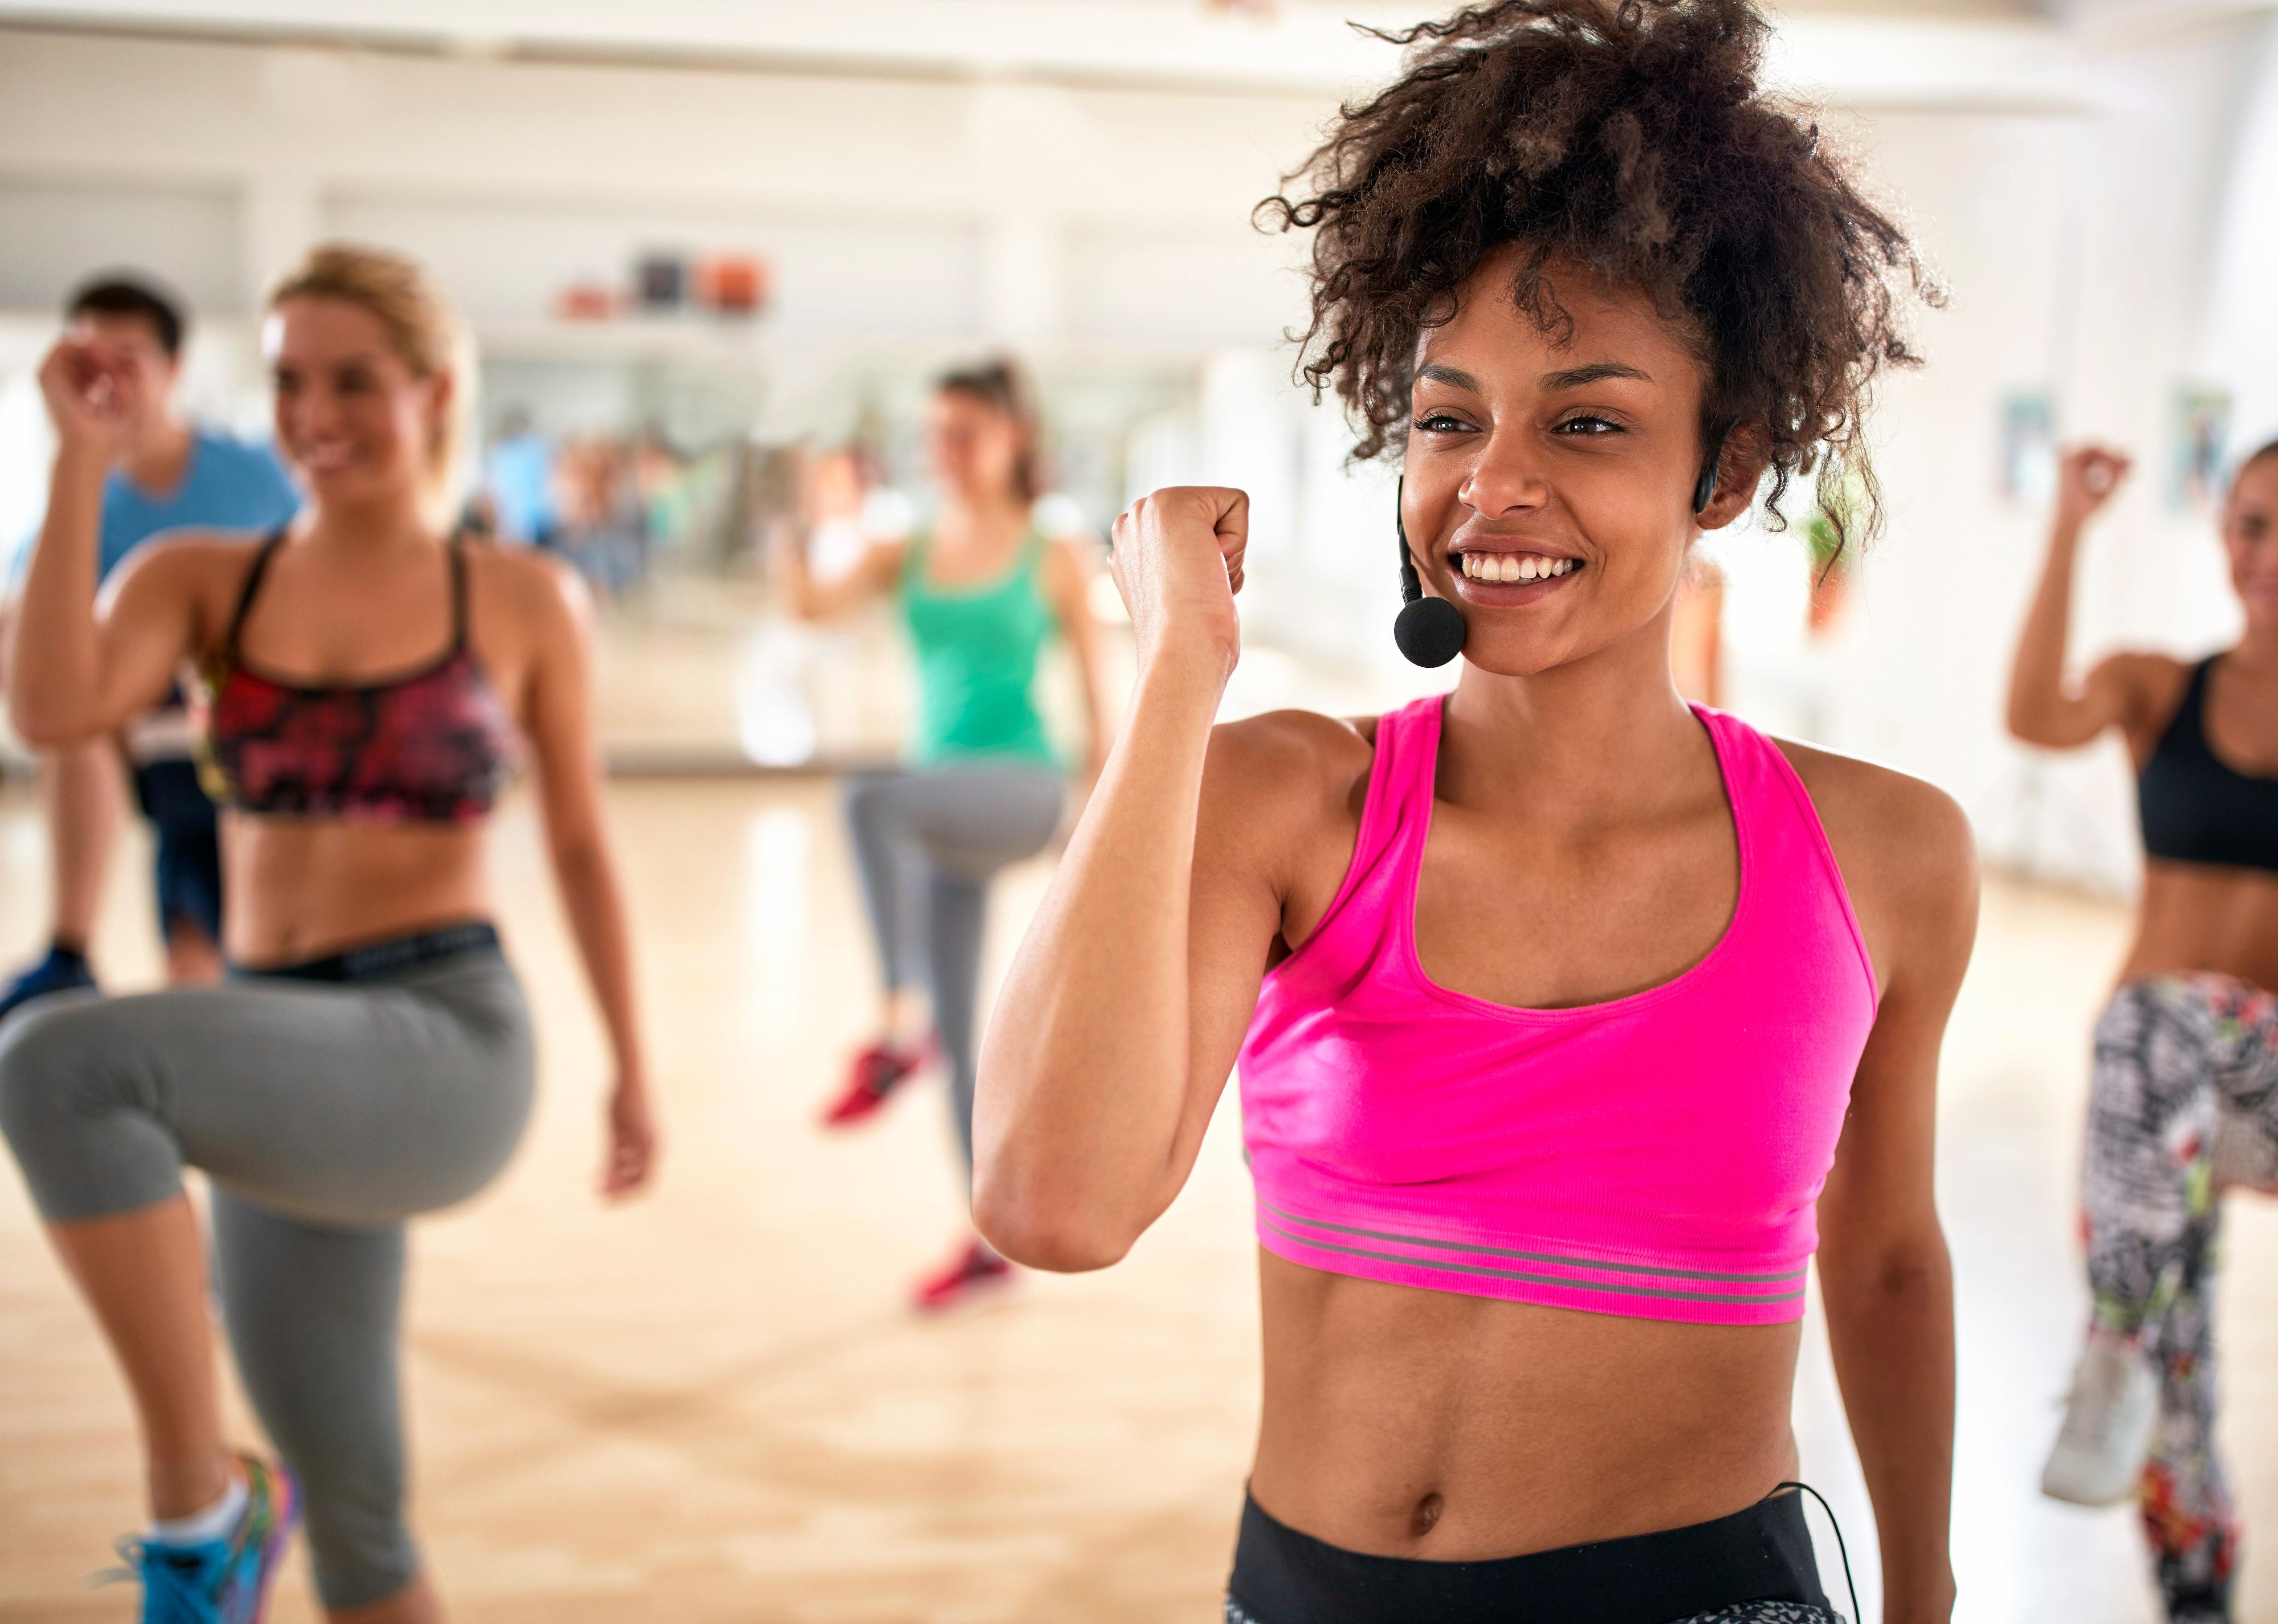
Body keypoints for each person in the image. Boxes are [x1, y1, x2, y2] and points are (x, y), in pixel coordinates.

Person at [974, 3, 1974, 1620]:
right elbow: (1052, 1202)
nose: (1489, 484)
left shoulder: (1884, 854)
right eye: (1447, 417)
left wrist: (1922, 1599)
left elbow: (1882, 1258)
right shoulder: (1291, 800)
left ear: (1720, 471)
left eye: (1584, 422)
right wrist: (1175, 677)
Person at [0, 243, 658, 1624]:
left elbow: (585, 845)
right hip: (278, 1037)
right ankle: (250, 1515)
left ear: (430, 392)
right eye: (292, 380)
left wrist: (631, 1065)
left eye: (354, 381)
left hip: (441, 1040)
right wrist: (75, 459)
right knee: (360, 1523)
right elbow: (53, 709)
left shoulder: (522, 598)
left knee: (56, 1063)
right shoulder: (200, 579)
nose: (316, 415)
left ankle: (201, 1512)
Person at [2007, 440, 2278, 1624]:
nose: (2266, 555)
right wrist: (2068, 522)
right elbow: (2032, 716)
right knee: (2172, 1363)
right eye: (2252, 524)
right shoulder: (2160, 686)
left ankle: (2106, 1342)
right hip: (2149, 1108)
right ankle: (2198, 1583)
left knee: (2156, 1011)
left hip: (2260, 1085)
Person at [776, 361, 1108, 1313]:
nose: (946, 453)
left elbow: (1094, 697)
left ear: (1012, 437)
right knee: (965, 1040)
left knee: (863, 801)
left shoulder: (1051, 549)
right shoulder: (906, 546)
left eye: (965, 432)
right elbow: (808, 605)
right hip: (940, 805)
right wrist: (799, 511)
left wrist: (1095, 822)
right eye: (936, 435)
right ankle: (986, 1235)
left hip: (1019, 787)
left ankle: (890, 1025)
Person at [0, 276, 300, 1019]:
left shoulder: (256, 477)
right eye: (87, 364)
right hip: (139, 730)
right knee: (71, 716)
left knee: (204, 958)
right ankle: (69, 950)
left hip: (242, 716)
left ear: (175, 367)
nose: (107, 381)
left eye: (127, 359)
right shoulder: (78, 501)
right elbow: (33, 651)